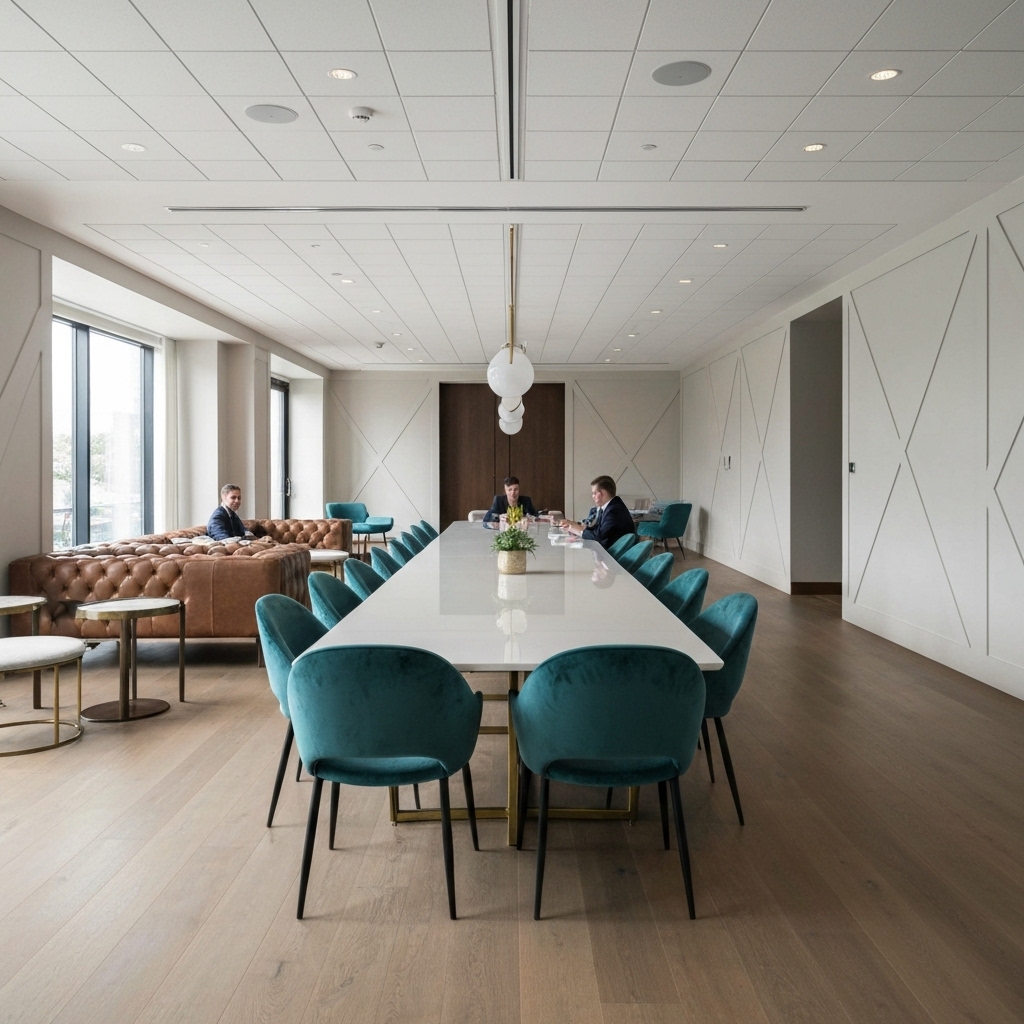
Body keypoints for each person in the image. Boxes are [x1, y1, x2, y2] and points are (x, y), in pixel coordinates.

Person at [560, 475, 634, 548]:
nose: (593, 496)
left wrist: (579, 531)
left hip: (612, 556)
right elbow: (597, 529)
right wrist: (574, 526)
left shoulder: (614, 510)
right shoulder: (610, 506)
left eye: (594, 493)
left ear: (603, 493)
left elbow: (598, 538)